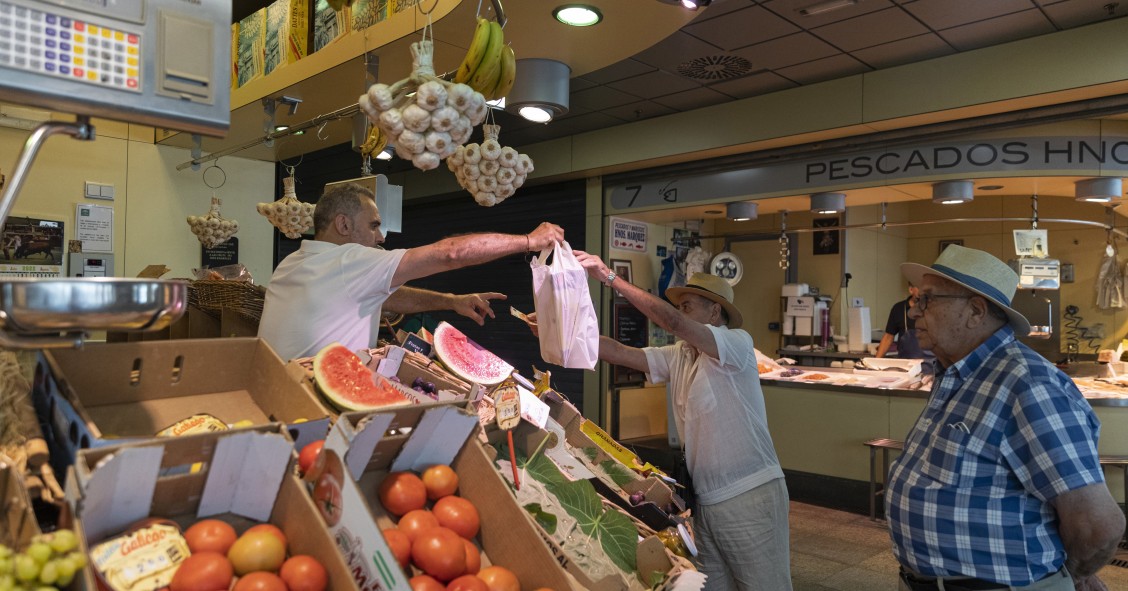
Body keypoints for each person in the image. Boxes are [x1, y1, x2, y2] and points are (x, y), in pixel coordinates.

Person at [529, 261, 791, 591]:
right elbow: (620, 352)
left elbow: (672, 322)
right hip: (704, 501)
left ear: (714, 312)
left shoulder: (736, 344)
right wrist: (558, 331)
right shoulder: (681, 354)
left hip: (749, 497)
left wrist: (611, 278)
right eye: (679, 306)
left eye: (687, 306)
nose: (679, 313)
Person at [886, 245, 1124, 591]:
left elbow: (1097, 525)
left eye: (927, 299)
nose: (913, 310)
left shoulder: (1029, 385)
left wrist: (1065, 577)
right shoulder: (955, 375)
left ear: (975, 311)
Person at [259, 182, 564, 360]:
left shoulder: (294, 262)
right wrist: (530, 241)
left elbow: (387, 297)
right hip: (320, 409)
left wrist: (451, 301)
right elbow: (451, 253)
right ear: (343, 225)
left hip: (276, 394)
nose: (381, 237)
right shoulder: (350, 260)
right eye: (374, 225)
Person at [875, 284, 928, 359]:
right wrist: (876, 360)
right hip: (904, 361)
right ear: (911, 289)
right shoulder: (898, 308)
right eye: (919, 287)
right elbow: (888, 337)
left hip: (928, 361)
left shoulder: (933, 308)